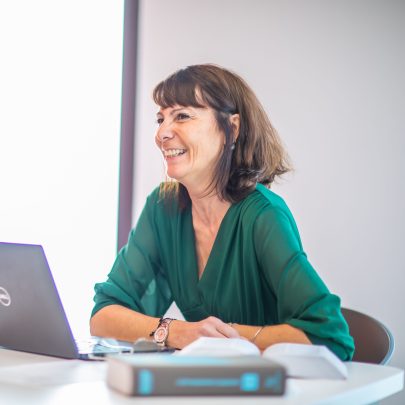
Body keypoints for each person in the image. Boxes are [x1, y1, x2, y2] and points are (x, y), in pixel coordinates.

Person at [90, 64, 354, 360]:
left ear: (232, 128)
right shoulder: (161, 207)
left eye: (182, 116)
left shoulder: (262, 215)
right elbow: (103, 316)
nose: (162, 133)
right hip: (208, 386)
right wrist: (176, 331)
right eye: (160, 119)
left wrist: (220, 337)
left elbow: (329, 337)